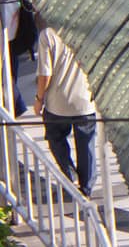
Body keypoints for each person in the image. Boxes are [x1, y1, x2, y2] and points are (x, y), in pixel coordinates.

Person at [33, 18, 97, 196]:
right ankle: (87, 187)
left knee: (55, 137)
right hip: (85, 100)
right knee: (87, 143)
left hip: (57, 103)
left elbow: (45, 75)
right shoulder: (88, 31)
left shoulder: (47, 35)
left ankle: (70, 174)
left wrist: (39, 99)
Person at [2, 0, 30, 116]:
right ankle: (14, 108)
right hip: (11, 39)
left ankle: (15, 107)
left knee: (8, 78)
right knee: (10, 76)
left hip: (8, 40)